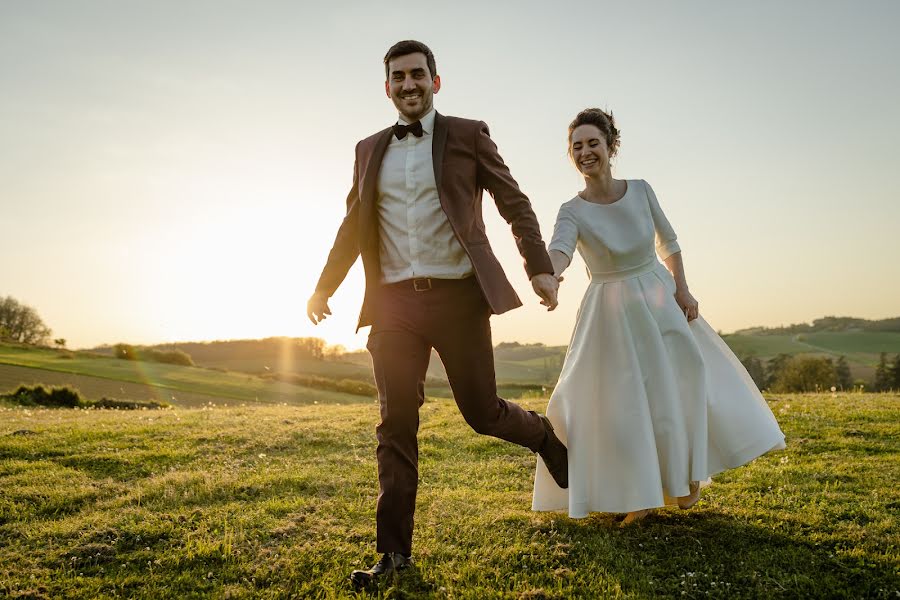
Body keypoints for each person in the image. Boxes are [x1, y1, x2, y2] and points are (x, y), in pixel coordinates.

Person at [307, 40, 569, 588]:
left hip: (458, 298)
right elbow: (352, 226)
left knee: (482, 412)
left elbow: (513, 201)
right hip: (395, 304)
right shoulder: (367, 149)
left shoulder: (469, 135)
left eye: (418, 75)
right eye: (398, 77)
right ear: (387, 87)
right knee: (395, 422)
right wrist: (324, 287)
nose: (409, 84)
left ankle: (542, 436)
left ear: (435, 81)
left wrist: (538, 266)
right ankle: (393, 555)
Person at [532, 108, 785, 525]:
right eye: (576, 146)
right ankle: (636, 494)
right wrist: (552, 277)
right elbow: (559, 250)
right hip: (608, 311)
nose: (585, 152)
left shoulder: (642, 190)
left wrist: (682, 288)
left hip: (657, 298)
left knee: (675, 389)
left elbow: (669, 242)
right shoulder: (571, 210)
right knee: (616, 401)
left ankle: (683, 481)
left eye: (593, 143)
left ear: (611, 146)